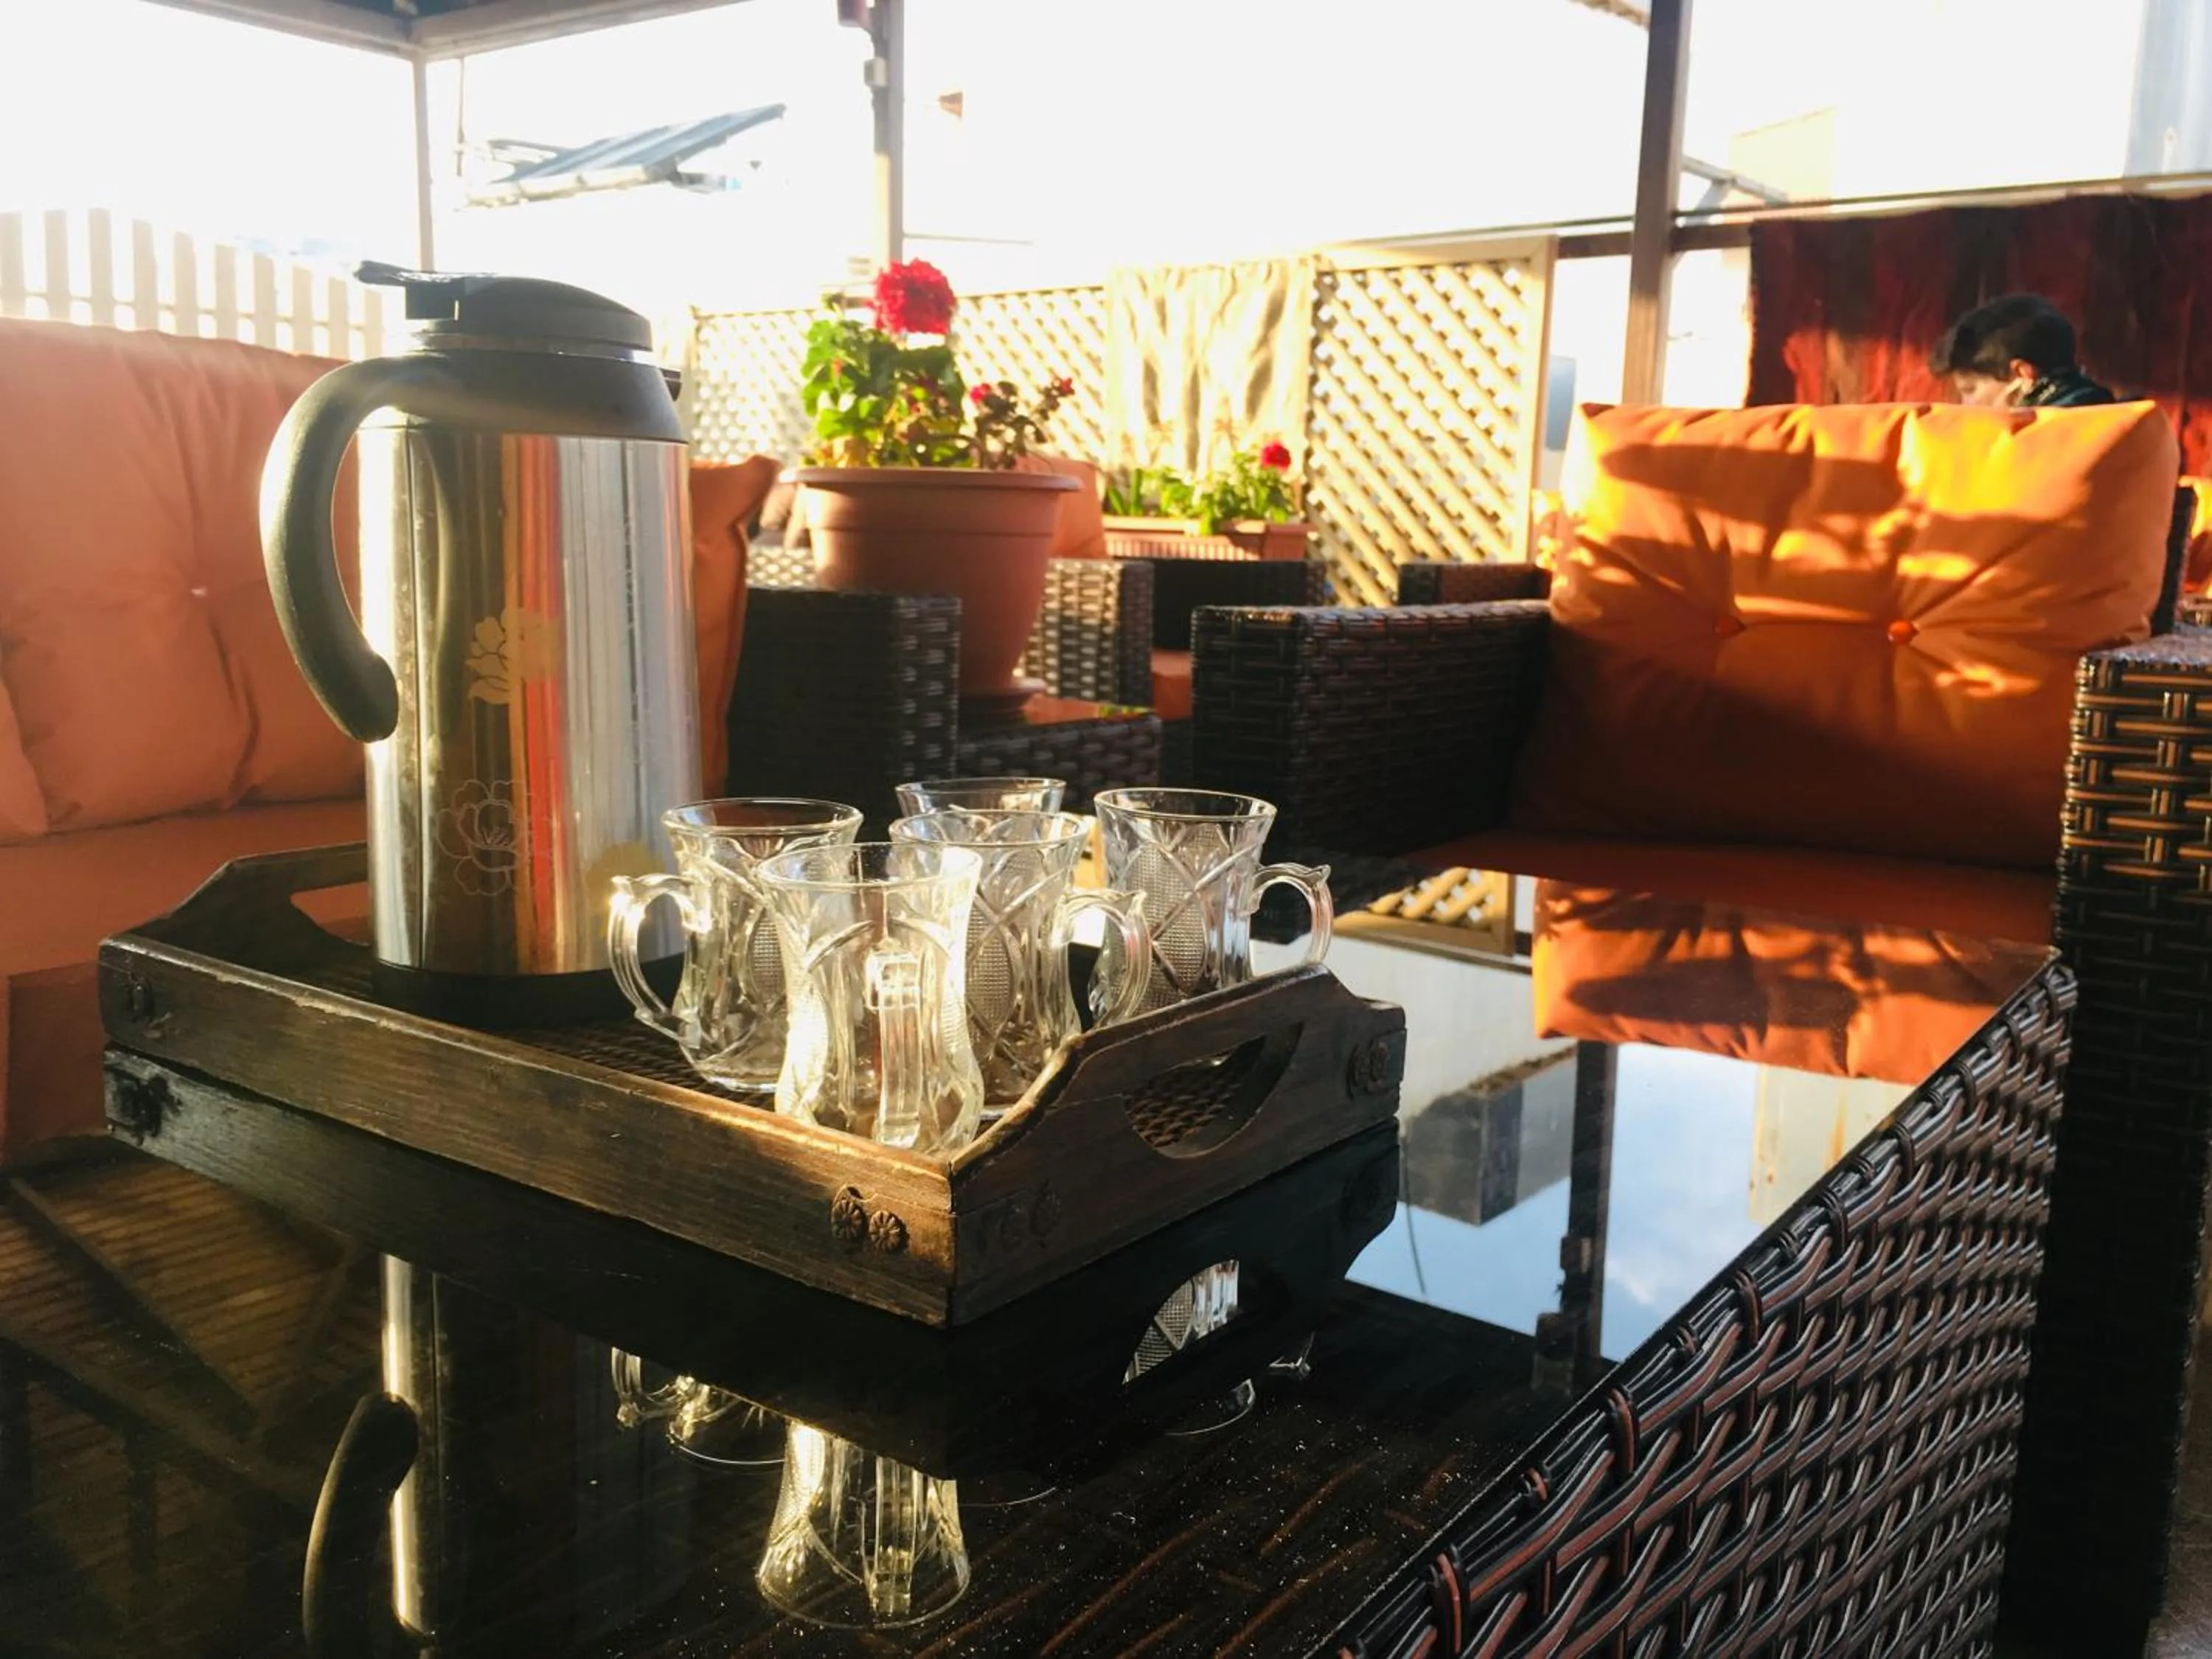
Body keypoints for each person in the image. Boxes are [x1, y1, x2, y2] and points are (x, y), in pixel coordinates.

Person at [1929, 293, 2116, 408]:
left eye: (1970, 390)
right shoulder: (2121, 420)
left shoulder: (2037, 446)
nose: (1964, 405)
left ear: (2022, 374)